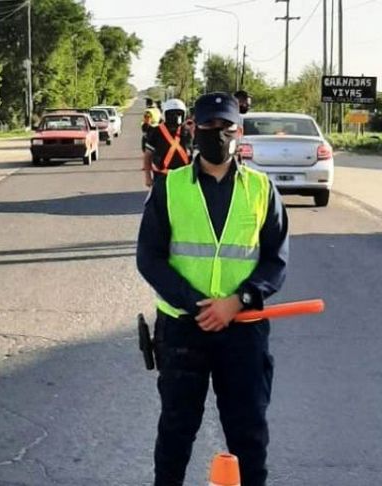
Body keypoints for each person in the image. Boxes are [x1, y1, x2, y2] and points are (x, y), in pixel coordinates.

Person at [136, 91, 289, 486]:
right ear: (193, 128)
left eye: (226, 126)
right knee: (176, 430)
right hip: (183, 329)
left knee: (248, 434)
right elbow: (149, 258)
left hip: (243, 330)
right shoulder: (170, 187)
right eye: (209, 125)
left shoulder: (261, 189)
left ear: (239, 131)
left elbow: (276, 261)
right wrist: (198, 305)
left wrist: (238, 301)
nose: (217, 134)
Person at [142, 98, 192, 187]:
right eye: (171, 114)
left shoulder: (187, 131)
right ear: (165, 115)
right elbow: (148, 155)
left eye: (179, 114)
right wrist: (148, 177)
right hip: (162, 178)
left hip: (185, 177)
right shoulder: (156, 132)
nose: (175, 117)